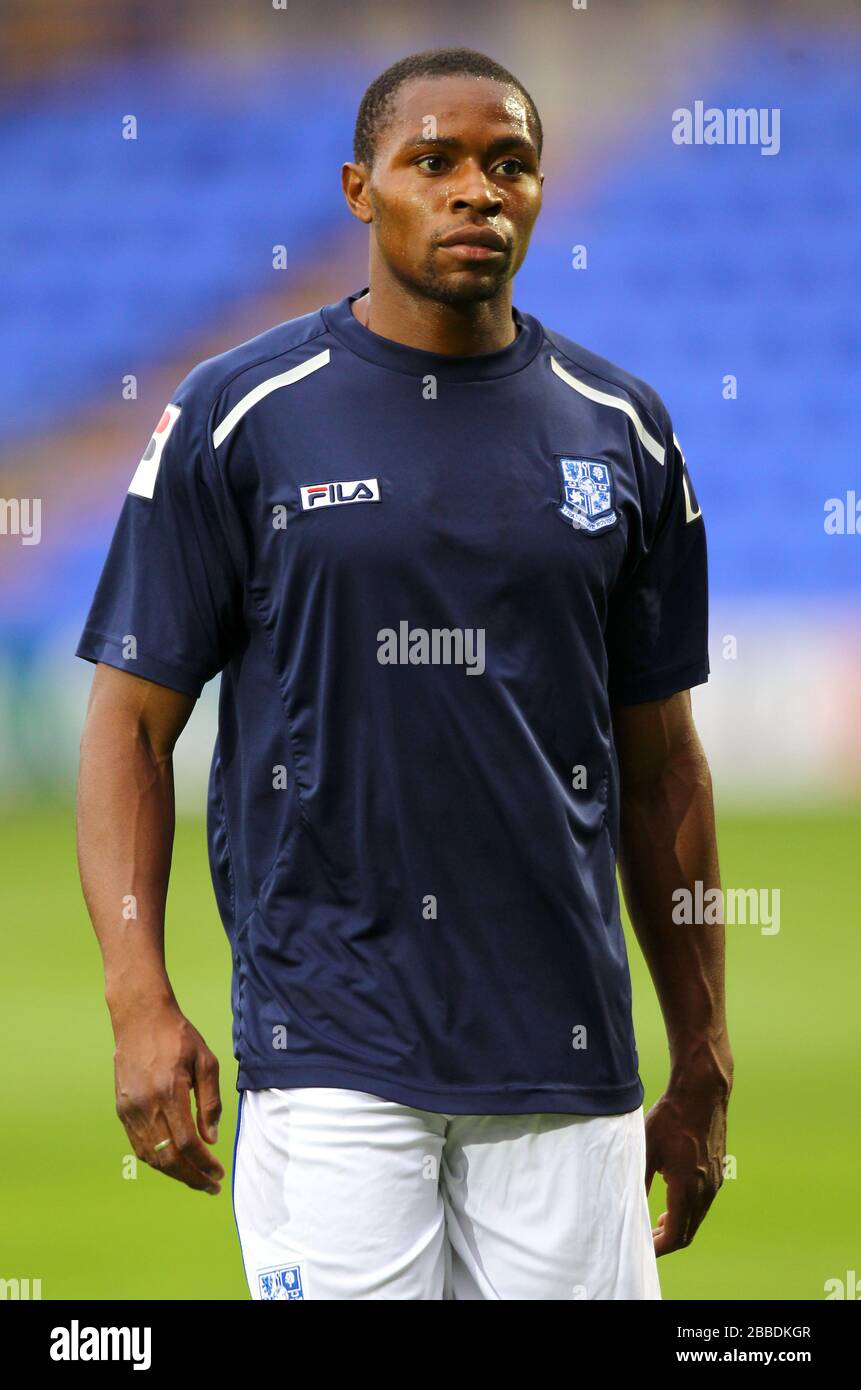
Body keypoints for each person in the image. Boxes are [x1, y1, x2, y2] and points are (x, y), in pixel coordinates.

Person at [76, 46, 733, 1301]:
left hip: (567, 1058)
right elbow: (131, 728)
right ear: (359, 189)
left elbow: (663, 771)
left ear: (540, 193)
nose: (476, 191)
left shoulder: (626, 429)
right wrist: (136, 996)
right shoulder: (239, 415)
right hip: (329, 1052)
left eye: (509, 164)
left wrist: (700, 1046)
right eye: (432, 161)